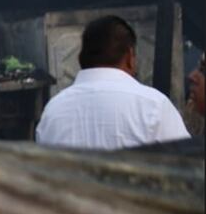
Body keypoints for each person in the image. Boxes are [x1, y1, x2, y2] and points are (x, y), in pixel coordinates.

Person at [36, 15, 190, 150]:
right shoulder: (154, 106)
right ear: (130, 56)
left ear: (81, 58)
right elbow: (186, 167)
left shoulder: (53, 111)